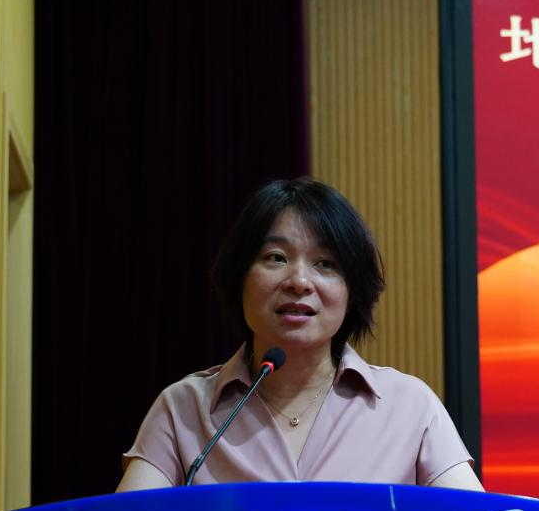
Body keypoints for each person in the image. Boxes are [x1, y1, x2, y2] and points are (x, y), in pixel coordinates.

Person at [117, 177, 483, 492]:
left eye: (325, 264)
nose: (299, 281)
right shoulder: (184, 409)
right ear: (240, 278)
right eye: (276, 257)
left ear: (351, 292)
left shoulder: (409, 407)